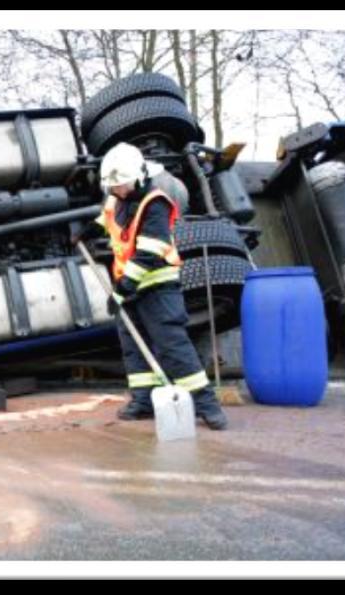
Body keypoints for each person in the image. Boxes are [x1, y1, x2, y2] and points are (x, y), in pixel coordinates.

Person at [72, 142, 228, 430]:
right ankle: (144, 401)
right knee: (134, 347)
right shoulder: (116, 199)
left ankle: (207, 405)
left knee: (173, 347)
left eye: (122, 186)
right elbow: (106, 220)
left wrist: (123, 288)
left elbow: (149, 252)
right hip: (129, 288)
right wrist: (87, 232)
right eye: (113, 187)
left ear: (140, 176)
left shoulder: (154, 203)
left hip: (157, 287)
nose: (118, 191)